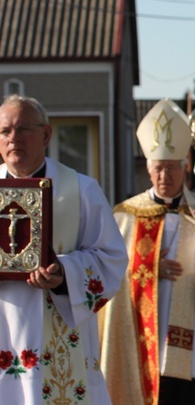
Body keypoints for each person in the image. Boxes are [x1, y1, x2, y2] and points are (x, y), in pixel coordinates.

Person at [0, 94, 128, 403]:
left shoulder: (81, 190)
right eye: (5, 131)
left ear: (46, 134)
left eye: (23, 129)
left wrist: (65, 273)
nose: (13, 138)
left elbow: (112, 258)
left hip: (57, 332)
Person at [99, 98, 195, 404]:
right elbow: (108, 271)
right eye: (158, 169)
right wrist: (150, 268)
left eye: (171, 169)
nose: (164, 177)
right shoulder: (125, 215)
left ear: (185, 169)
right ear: (148, 169)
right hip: (142, 329)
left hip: (193, 331)